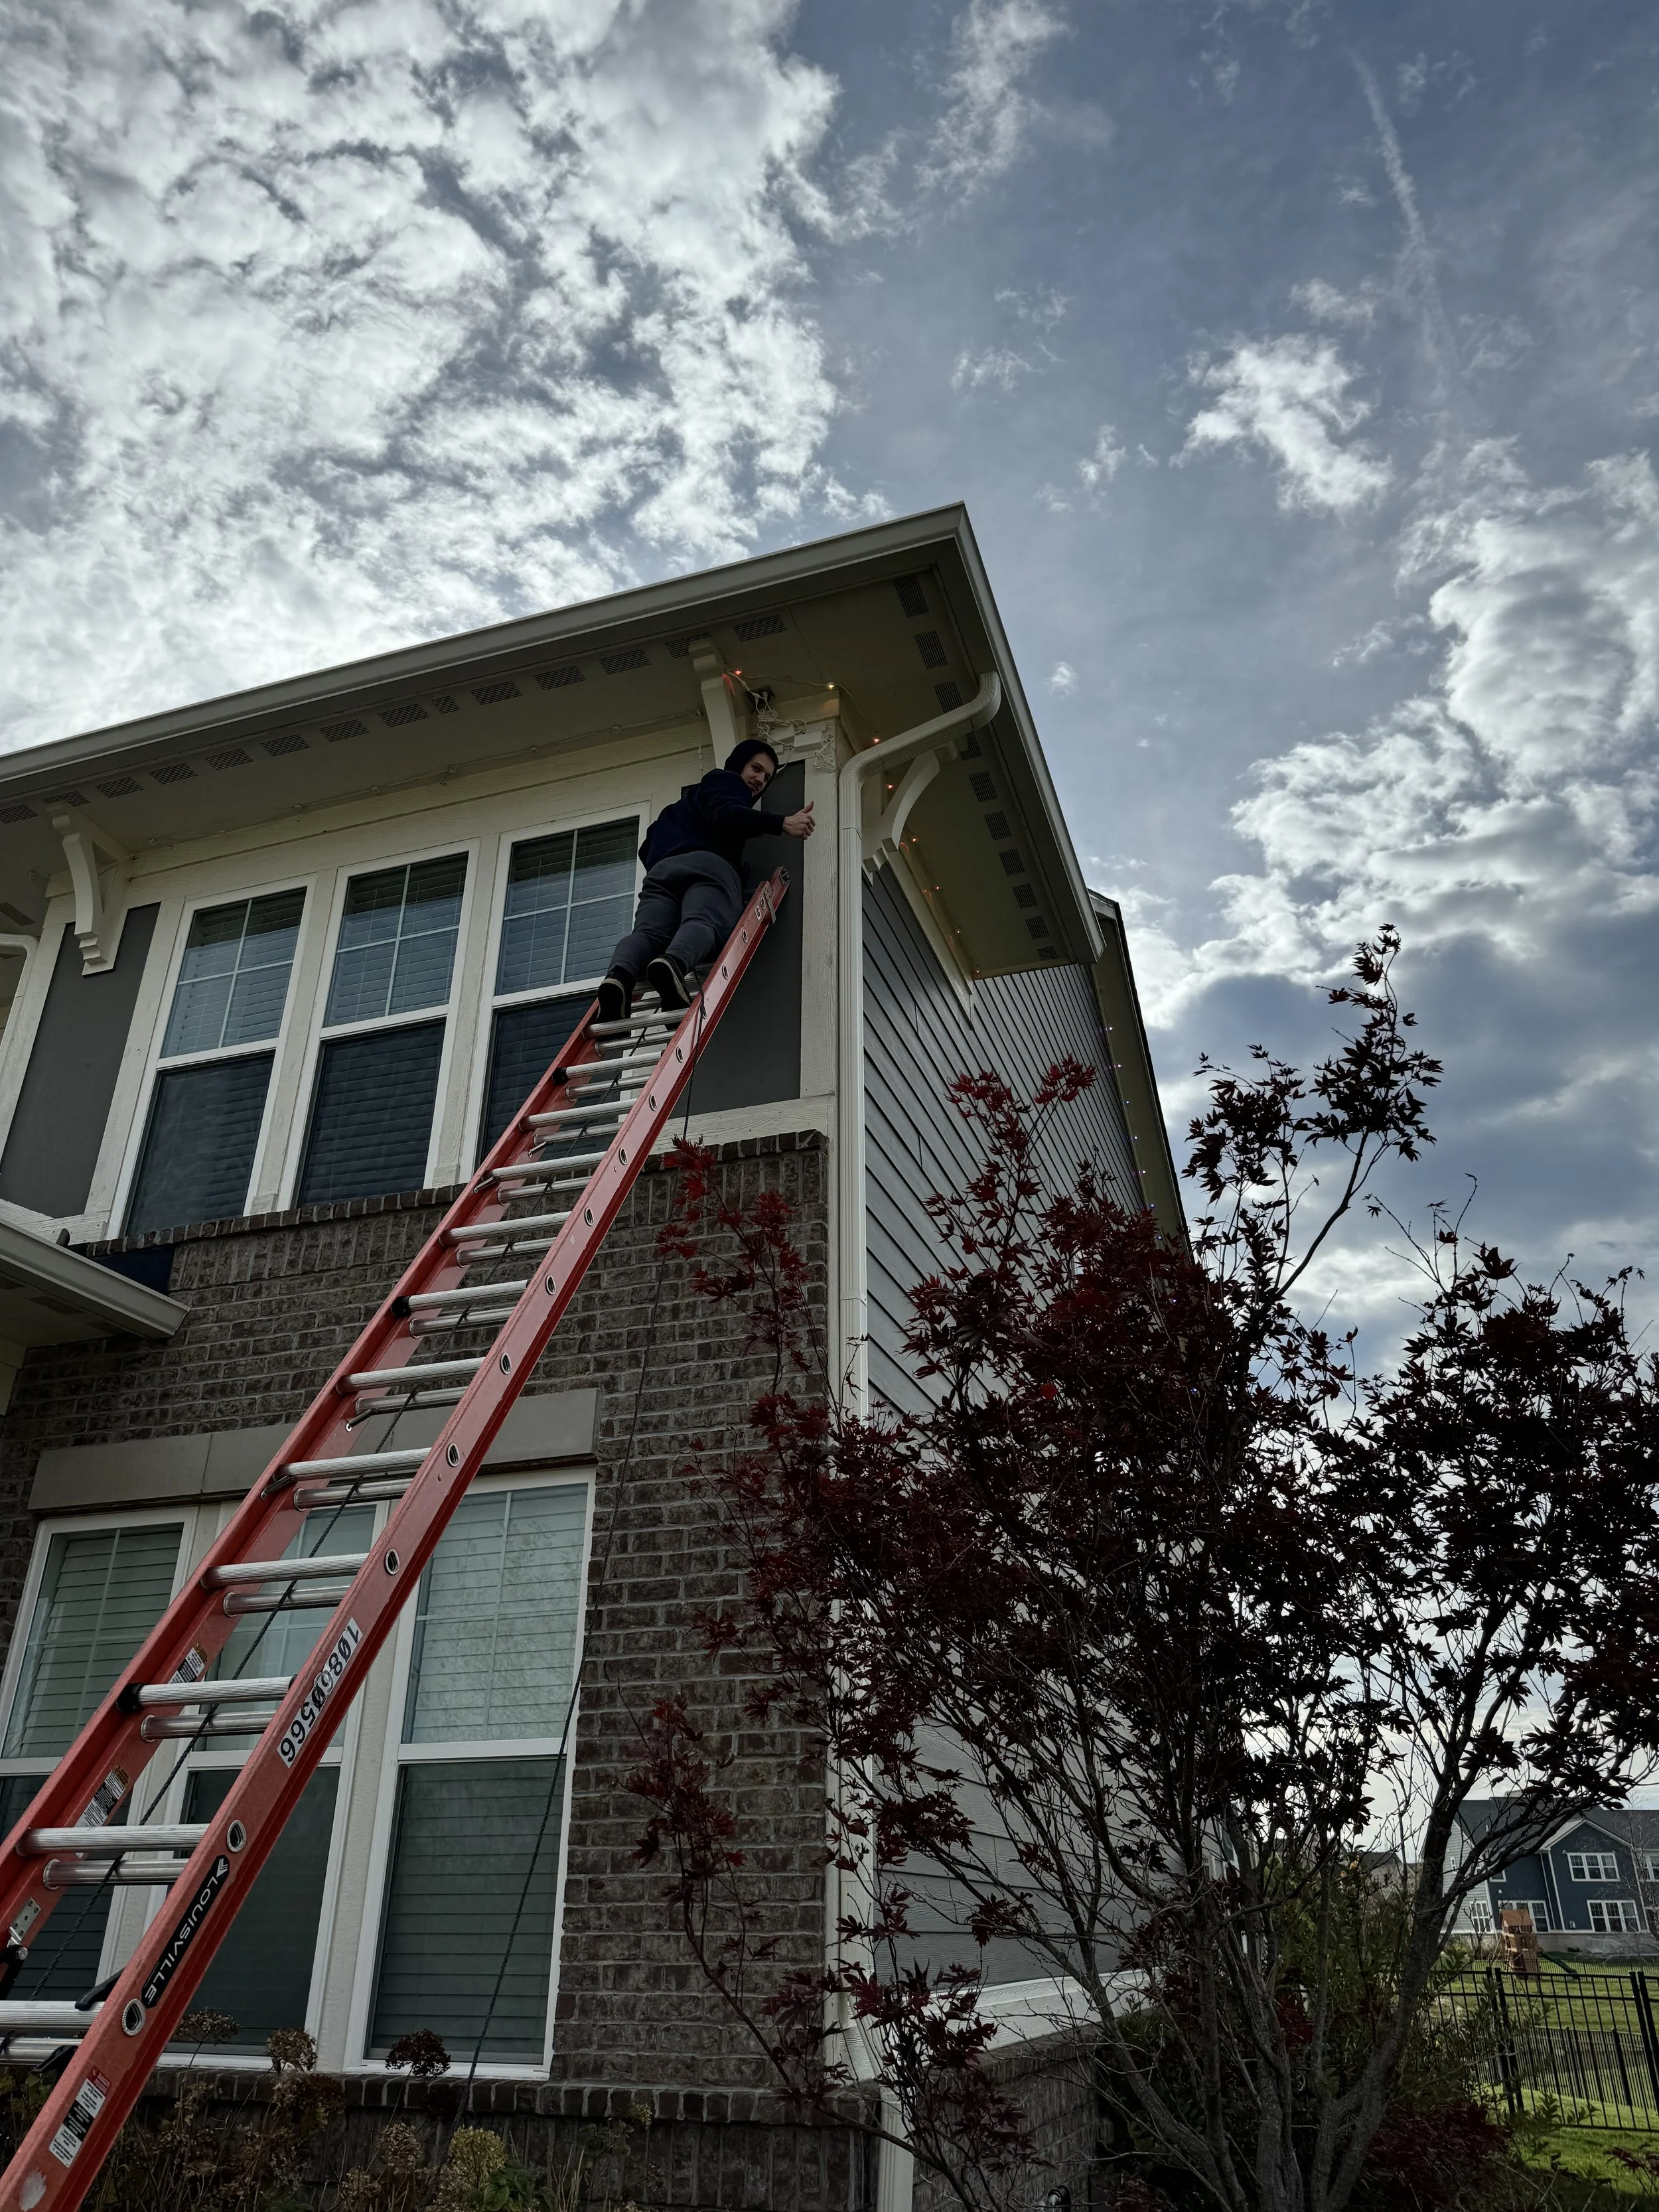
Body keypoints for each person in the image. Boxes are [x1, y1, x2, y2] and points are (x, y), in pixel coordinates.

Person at [599, 737, 815, 1016]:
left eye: (767, 777)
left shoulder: (681, 808)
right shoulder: (727, 782)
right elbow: (727, 815)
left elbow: (647, 845)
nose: (761, 780)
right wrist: (782, 822)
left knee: (649, 934)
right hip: (710, 868)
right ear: (739, 764)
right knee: (705, 921)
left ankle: (619, 977)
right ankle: (674, 965)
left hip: (663, 873)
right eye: (756, 768)